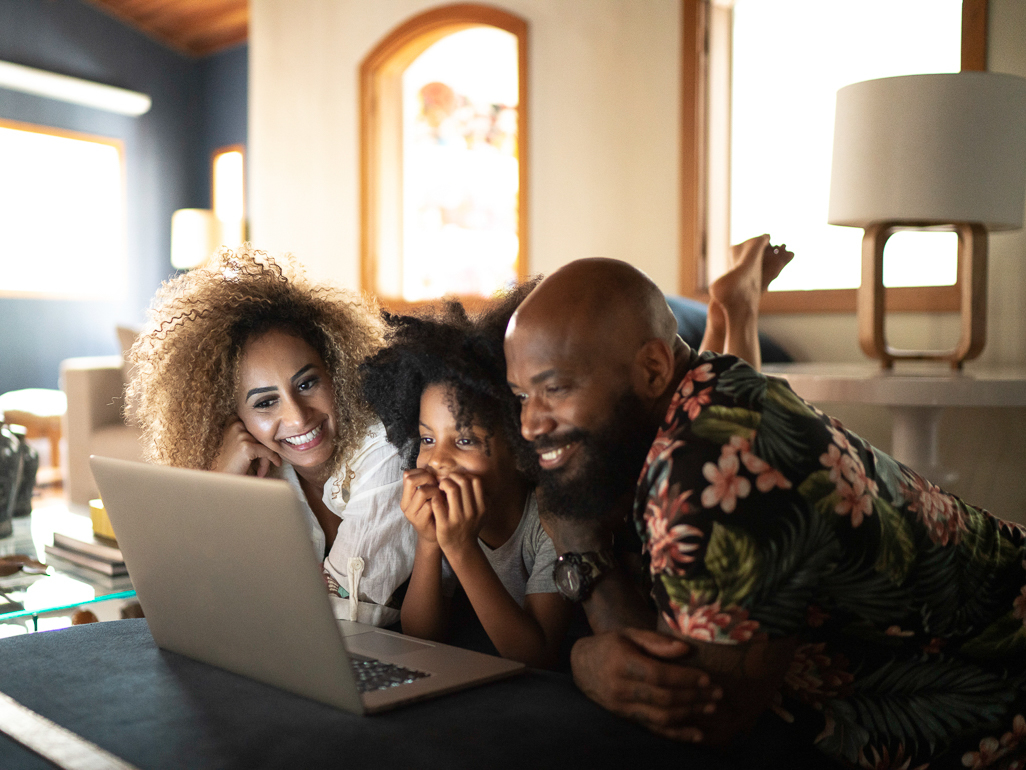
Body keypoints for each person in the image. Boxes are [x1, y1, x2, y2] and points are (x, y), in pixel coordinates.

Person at [503, 256, 1026, 768]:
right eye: (521, 395)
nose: (530, 424)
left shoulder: (718, 473)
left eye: (554, 389)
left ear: (654, 368)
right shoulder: (715, 386)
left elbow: (705, 714)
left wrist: (582, 575)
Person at [126, 246, 416, 626]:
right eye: (265, 403)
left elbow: (348, 622)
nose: (296, 416)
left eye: (307, 383)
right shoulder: (259, 469)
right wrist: (218, 484)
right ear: (233, 417)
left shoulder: (385, 449)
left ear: (337, 372)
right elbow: (176, 599)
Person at [359, 291, 572, 669]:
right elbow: (422, 639)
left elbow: (537, 656)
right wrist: (429, 542)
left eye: (465, 440)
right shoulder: (442, 513)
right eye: (427, 439)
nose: (438, 459)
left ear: (520, 445)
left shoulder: (550, 522)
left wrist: (460, 548)